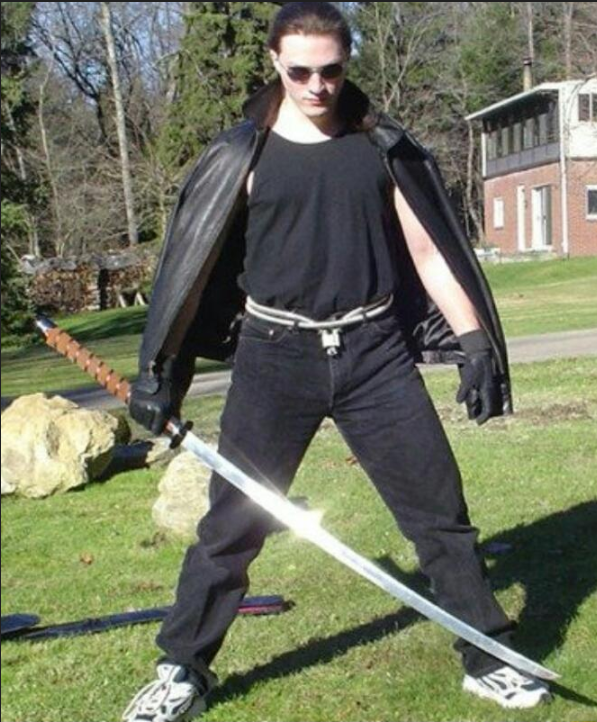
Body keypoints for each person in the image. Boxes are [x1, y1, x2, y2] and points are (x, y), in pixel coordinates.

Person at [124, 3, 551, 720]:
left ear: (347, 63)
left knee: (439, 516)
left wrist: (473, 341)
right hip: (273, 357)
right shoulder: (243, 155)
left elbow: (428, 251)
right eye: (299, 72)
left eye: (330, 70)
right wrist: (159, 369)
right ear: (274, 63)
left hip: (373, 355)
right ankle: (182, 672)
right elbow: (191, 270)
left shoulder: (378, 147)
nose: (316, 85)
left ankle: (488, 656)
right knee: (231, 527)